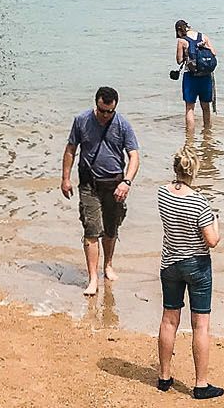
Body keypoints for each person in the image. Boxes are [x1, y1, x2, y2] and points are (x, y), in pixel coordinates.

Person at [155, 147, 223, 400]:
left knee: (169, 319)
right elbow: (212, 240)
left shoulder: (163, 193)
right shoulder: (200, 203)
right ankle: (201, 384)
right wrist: (216, 221)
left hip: (170, 263)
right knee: (200, 325)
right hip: (197, 265)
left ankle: (164, 376)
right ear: (194, 170)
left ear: (175, 168)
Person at [61, 85, 140, 297]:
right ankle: (93, 278)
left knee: (111, 228)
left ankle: (108, 265)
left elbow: (134, 156)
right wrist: (66, 178)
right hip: (89, 184)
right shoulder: (81, 121)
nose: (105, 115)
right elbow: (70, 149)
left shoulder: (123, 125)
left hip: (115, 185)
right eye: (102, 110)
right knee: (91, 229)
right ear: (96, 104)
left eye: (109, 112)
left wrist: (127, 182)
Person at [173, 19, 216, 140]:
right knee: (206, 107)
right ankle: (207, 135)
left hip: (190, 77)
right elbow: (214, 53)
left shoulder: (182, 41)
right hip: (206, 77)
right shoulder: (203, 37)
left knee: (190, 108)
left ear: (179, 30)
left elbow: (179, 60)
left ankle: (190, 138)